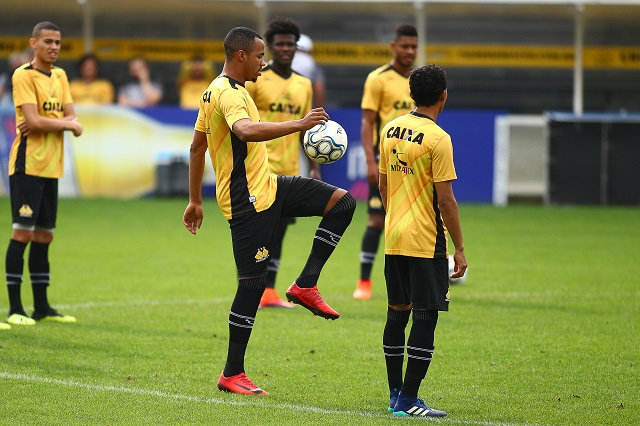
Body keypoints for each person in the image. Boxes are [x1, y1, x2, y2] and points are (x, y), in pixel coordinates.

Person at [182, 27, 355, 395]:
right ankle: (232, 373)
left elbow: (197, 148)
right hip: (247, 201)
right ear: (241, 55)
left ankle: (306, 283)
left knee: (342, 202)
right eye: (260, 56)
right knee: (251, 286)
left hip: (272, 185)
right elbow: (243, 131)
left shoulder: (217, 90)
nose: (264, 62)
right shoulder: (228, 94)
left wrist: (195, 200)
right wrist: (299, 123)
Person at [379, 64, 467, 417]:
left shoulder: (390, 129)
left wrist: (395, 218)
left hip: (393, 235)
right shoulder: (438, 139)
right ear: (443, 95)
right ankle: (409, 400)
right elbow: (445, 200)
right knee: (426, 316)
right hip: (426, 240)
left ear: (411, 94)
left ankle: (395, 394)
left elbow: (384, 186)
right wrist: (459, 247)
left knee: (397, 313)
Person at [3, 21, 83, 330]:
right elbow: (39, 121)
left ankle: (42, 306)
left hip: (52, 166)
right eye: (48, 41)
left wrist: (50, 121)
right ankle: (14, 308)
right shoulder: (23, 75)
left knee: (45, 235)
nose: (54, 46)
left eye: (58, 42)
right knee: (22, 232)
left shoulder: (61, 76)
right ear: (33, 43)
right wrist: (61, 122)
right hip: (27, 165)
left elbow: (67, 118)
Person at [245, 17, 321, 309]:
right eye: (280, 44)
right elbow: (246, 124)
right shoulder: (257, 80)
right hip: (260, 168)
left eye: (291, 44)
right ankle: (255, 287)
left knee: (279, 233)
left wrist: (313, 165)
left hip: (289, 171)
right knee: (261, 233)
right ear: (271, 47)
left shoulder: (304, 84)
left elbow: (306, 130)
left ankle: (268, 292)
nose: (286, 48)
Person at [353, 24, 418, 300]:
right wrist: (370, 160)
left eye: (414, 47)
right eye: (405, 46)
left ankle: (413, 283)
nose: (410, 51)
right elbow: (367, 122)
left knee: (416, 220)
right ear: (394, 46)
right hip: (387, 162)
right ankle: (364, 282)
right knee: (377, 220)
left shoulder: (421, 79)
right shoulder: (378, 79)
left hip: (416, 161)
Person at [291, 34, 325, 107]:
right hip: (303, 105)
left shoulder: (284, 59)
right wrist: (319, 109)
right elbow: (319, 89)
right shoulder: (312, 63)